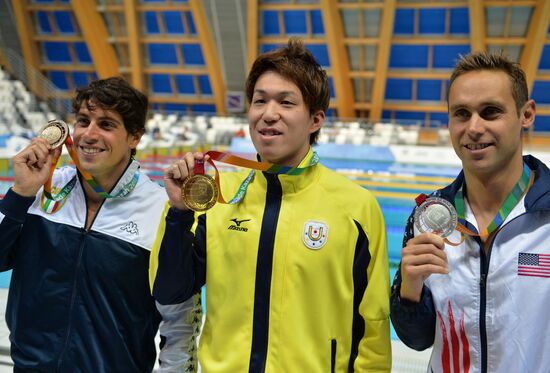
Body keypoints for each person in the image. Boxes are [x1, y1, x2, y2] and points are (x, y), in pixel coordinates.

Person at [150, 38, 391, 372]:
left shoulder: (356, 208)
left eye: (286, 102)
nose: (268, 114)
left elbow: (373, 323)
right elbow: (169, 291)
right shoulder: (216, 197)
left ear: (315, 119)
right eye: (259, 101)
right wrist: (179, 214)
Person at [0, 77, 199, 371]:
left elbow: (179, 321)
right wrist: (19, 194)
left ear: (134, 137)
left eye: (106, 124)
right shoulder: (41, 189)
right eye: (83, 121)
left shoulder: (160, 211)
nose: (89, 134)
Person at [390, 52, 550, 372]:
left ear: (526, 114)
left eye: (490, 112)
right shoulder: (430, 216)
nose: (474, 128)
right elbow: (417, 339)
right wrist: (410, 287)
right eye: (461, 113)